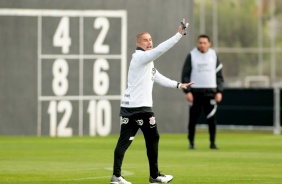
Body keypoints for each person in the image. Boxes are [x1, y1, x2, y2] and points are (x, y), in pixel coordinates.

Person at [110, 19, 194, 184]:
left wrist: (179, 85)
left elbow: (157, 77)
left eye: (150, 40)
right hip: (141, 108)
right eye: (145, 40)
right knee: (152, 138)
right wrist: (178, 34)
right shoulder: (141, 56)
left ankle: (116, 177)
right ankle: (154, 176)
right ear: (138, 43)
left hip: (129, 107)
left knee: (125, 141)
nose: (149, 42)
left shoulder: (145, 61)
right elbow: (161, 50)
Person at [181, 34, 224, 150]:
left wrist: (219, 91)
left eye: (205, 43)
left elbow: (219, 75)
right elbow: (185, 75)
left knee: (211, 119)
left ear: (209, 44)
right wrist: (188, 92)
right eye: (200, 42)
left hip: (210, 92)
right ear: (197, 43)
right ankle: (191, 142)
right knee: (193, 119)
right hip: (195, 92)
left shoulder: (214, 55)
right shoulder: (192, 55)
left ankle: (213, 143)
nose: (202, 45)